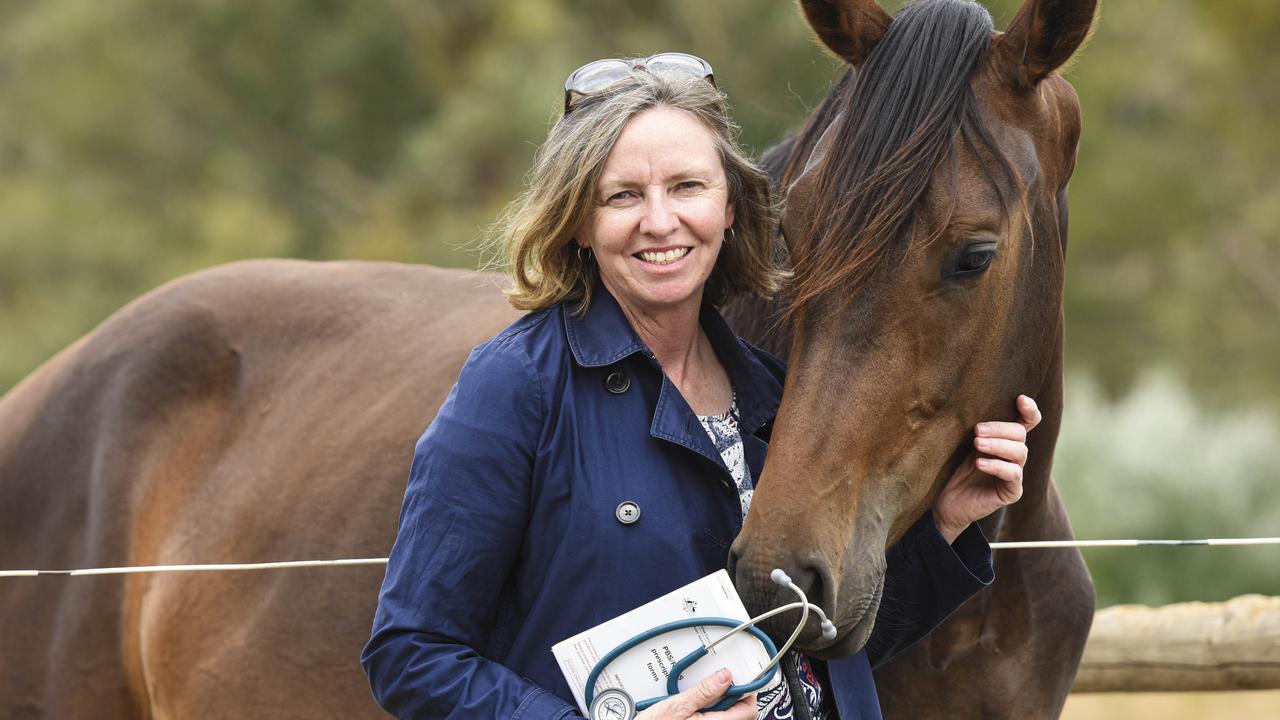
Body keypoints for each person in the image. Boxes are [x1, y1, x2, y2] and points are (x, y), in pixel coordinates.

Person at [361, 53, 1041, 720]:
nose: (660, 222)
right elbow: (410, 654)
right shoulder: (516, 386)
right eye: (623, 195)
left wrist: (948, 525)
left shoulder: (775, 392)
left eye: (687, 187)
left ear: (732, 209)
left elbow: (812, 656)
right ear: (578, 224)